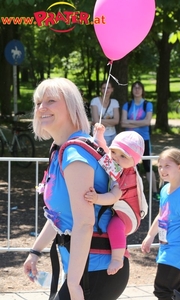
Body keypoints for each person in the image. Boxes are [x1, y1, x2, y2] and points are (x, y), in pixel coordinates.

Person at [23, 78, 129, 300]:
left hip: (95, 272)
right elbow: (61, 217)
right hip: (85, 271)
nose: (42, 107)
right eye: (38, 102)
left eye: (51, 100)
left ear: (71, 106)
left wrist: (73, 283)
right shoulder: (60, 151)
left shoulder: (74, 154)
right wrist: (35, 252)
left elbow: (84, 223)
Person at [141, 147, 180, 300]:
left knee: (162, 290)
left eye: (167, 166)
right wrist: (150, 236)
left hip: (178, 249)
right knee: (173, 287)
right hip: (166, 247)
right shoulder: (165, 189)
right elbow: (162, 215)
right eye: (160, 166)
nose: (162, 170)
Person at [84, 123, 147, 276]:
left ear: (135, 161)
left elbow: (113, 196)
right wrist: (99, 136)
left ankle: (118, 258)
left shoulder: (125, 177)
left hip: (130, 217)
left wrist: (96, 198)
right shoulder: (120, 166)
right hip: (122, 209)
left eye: (123, 156)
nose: (116, 159)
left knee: (114, 226)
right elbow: (105, 153)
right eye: (115, 152)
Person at [121, 80, 160, 201]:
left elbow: (147, 122)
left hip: (144, 140)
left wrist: (130, 122)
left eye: (139, 88)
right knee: (131, 167)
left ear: (143, 90)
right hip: (129, 141)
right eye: (135, 88)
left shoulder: (147, 104)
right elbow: (122, 122)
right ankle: (133, 193)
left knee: (148, 166)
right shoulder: (127, 105)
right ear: (132, 91)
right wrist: (140, 123)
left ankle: (154, 192)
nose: (137, 90)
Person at [90, 80, 119, 146]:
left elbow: (116, 121)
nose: (106, 90)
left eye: (108, 88)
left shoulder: (115, 102)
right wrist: (111, 122)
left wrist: (100, 121)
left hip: (112, 135)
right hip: (98, 136)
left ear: (112, 89)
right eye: (104, 88)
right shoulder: (95, 101)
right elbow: (96, 121)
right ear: (101, 89)